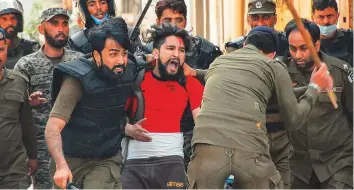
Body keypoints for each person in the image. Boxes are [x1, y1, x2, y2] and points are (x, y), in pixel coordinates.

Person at [186, 26, 333, 189]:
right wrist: (314, 88)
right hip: (249, 156)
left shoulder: (219, 63)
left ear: (244, 46)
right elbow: (294, 120)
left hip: (204, 156)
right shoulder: (273, 66)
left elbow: (211, 76)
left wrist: (194, 72)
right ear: (272, 55)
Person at [46, 17, 140, 189]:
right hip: (70, 161)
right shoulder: (77, 80)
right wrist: (60, 166)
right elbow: (53, 128)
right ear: (97, 55)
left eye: (124, 53)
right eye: (113, 54)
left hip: (105, 159)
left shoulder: (129, 68)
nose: (121, 61)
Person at [141, 0, 222, 170]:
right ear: (158, 22)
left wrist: (195, 73)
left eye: (179, 20)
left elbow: (221, 79)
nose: (174, 25)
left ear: (186, 21)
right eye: (167, 20)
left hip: (193, 132)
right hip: (154, 137)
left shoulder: (205, 51)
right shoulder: (145, 53)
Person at [121, 23, 204, 189]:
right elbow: (112, 116)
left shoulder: (189, 82)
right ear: (156, 53)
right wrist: (127, 129)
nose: (176, 54)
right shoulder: (137, 77)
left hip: (172, 163)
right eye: (171, 48)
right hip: (135, 165)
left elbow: (203, 121)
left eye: (181, 51)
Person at [223, 1, 292, 186]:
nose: (260, 22)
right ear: (248, 20)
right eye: (255, 17)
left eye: (265, 17)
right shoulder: (235, 48)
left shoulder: (289, 45)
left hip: (283, 135)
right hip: (249, 134)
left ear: (275, 19)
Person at [14, 8, 83, 189]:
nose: (61, 28)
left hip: (77, 146)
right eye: (54, 24)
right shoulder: (26, 65)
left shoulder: (80, 62)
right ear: (41, 29)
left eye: (65, 23)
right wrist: (29, 102)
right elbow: (13, 106)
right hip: (41, 151)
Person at [282, 18, 353, 189]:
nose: (298, 55)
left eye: (304, 48)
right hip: (298, 167)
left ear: (317, 46)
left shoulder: (340, 72)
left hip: (337, 163)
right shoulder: (281, 73)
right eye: (293, 48)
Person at [0, 28, 38, 189]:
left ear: (6, 49)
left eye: (0, 49)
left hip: (13, 168)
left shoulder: (18, 81)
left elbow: (27, 123)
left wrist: (32, 156)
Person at [68, 0, 144, 54]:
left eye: (102, 2)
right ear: (85, 9)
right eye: (92, 4)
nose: (98, 7)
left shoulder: (130, 34)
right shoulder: (77, 42)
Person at [0, 0, 40, 69]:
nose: (10, 23)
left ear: (19, 21)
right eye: (4, 19)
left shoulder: (32, 48)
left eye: (13, 18)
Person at [312, 0, 353, 66]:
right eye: (321, 17)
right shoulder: (307, 42)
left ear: (337, 16)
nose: (326, 21)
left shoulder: (350, 38)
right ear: (313, 18)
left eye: (330, 16)